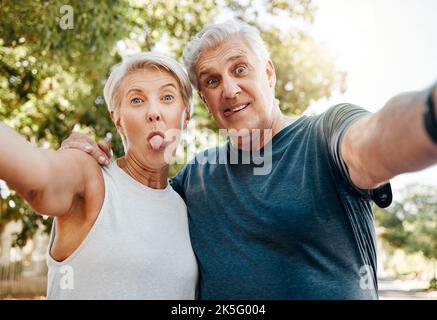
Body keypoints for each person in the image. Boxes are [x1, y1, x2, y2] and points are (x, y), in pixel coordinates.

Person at [62, 20, 437, 299]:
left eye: (240, 69)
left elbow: (377, 138)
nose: (229, 89)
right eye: (211, 81)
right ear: (204, 104)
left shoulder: (325, 135)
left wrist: (428, 113)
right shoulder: (195, 177)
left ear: (268, 73)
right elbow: (132, 203)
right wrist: (82, 159)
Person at [0, 52, 198, 299]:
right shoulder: (90, 175)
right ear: (117, 119)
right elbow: (37, 177)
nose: (154, 112)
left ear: (186, 115)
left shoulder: (185, 205)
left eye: (167, 97)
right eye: (137, 101)